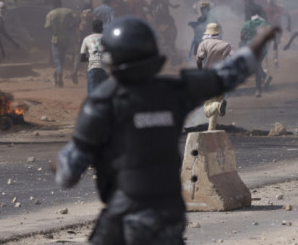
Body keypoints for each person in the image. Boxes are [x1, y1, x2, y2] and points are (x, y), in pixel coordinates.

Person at [53, 17, 279, 245]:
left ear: (112, 58)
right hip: (169, 216)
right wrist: (258, 43)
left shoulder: (102, 104)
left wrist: (60, 163)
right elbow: (227, 75)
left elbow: (68, 175)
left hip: (126, 217)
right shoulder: (173, 91)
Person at [196, 23, 233, 131]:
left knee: (207, 107)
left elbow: (199, 60)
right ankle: (211, 129)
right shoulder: (226, 45)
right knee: (217, 99)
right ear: (218, 33)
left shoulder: (204, 44)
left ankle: (217, 106)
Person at [45, 0, 78, 88]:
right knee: (62, 58)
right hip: (66, 39)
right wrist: (70, 28)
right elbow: (78, 19)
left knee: (57, 59)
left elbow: (47, 27)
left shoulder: (50, 13)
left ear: (53, 4)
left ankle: (59, 73)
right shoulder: (68, 11)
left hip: (55, 39)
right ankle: (57, 75)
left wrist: (54, 31)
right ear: (61, 2)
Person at [240, 14, 271, 97]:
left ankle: (258, 90)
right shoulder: (265, 23)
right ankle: (264, 76)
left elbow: (242, 36)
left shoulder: (247, 24)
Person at [0, 1, 20, 87]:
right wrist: (13, 42)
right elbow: (3, 33)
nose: (4, 10)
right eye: (2, 8)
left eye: (4, 8)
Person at [150, 0, 181, 65]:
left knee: (169, 41)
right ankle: (173, 57)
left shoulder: (163, 0)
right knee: (166, 42)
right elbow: (150, 10)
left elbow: (169, 4)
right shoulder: (154, 2)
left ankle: (174, 58)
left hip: (166, 22)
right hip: (160, 23)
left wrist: (174, 6)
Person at [80, 19, 108, 94]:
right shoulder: (107, 38)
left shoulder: (86, 39)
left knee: (92, 95)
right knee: (104, 94)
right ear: (102, 28)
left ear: (92, 28)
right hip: (104, 69)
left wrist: (90, 59)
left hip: (92, 67)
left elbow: (82, 58)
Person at [265, 0, 291, 68]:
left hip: (275, 30)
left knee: (272, 45)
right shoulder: (268, 9)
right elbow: (288, 15)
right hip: (274, 29)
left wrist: (289, 26)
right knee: (273, 45)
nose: (270, 0)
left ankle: (272, 61)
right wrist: (289, 26)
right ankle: (273, 60)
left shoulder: (276, 8)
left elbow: (288, 15)